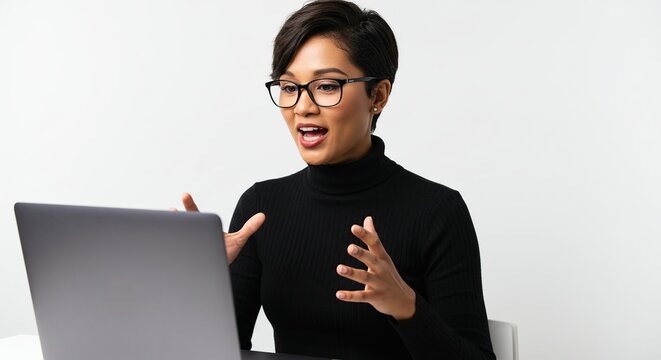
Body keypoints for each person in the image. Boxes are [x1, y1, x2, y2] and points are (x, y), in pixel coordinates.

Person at [178, 1, 495, 359]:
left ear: (378, 96)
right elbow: (218, 353)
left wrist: (406, 305)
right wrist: (200, 283)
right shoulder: (260, 208)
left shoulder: (436, 212)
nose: (301, 107)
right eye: (288, 86)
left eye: (326, 86)